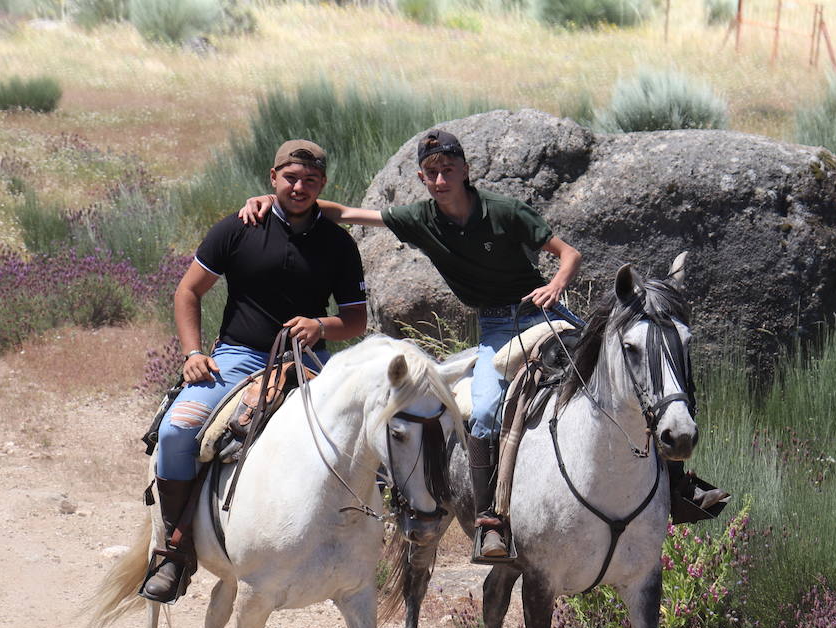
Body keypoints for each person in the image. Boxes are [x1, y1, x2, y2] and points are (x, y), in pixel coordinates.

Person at [241, 128, 582, 560]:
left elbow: (568, 253)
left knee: (621, 370)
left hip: (545, 311)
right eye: (432, 173)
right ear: (422, 178)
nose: (441, 180)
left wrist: (556, 284)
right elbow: (347, 213)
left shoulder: (503, 211)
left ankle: (677, 484)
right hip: (497, 326)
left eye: (448, 170)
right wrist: (273, 202)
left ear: (465, 171)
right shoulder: (421, 218)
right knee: (484, 409)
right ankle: (491, 521)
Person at [141, 139, 368, 603]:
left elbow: (355, 320)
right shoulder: (238, 228)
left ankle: (362, 544)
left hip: (305, 362)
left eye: (309, 180)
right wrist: (191, 353)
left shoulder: (339, 244)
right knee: (177, 434)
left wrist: (319, 324)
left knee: (365, 439)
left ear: (322, 184)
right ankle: (173, 553)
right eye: (291, 178)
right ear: (273, 178)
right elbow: (188, 291)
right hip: (238, 358)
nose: (299, 187)